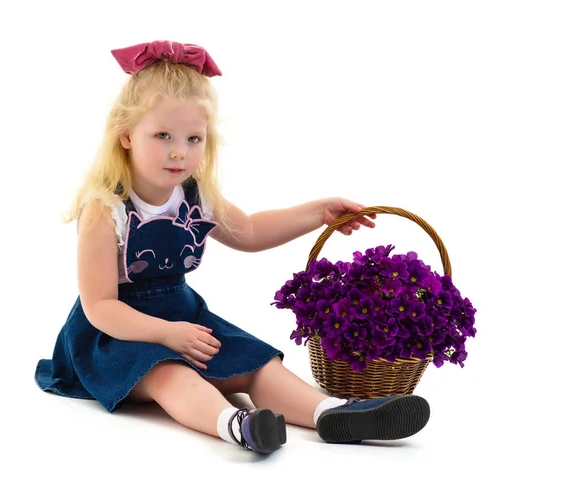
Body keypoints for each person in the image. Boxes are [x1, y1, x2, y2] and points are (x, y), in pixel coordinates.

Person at [35, 40, 431, 454]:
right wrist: (166, 334)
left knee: (257, 363)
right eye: (163, 135)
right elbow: (100, 306)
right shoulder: (106, 208)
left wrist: (318, 212)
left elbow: (251, 232)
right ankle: (237, 424)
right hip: (116, 334)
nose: (179, 151)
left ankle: (333, 412)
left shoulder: (195, 194)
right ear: (126, 135)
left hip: (182, 316)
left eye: (194, 138)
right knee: (171, 374)